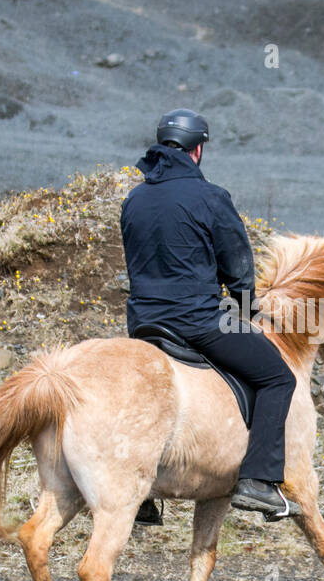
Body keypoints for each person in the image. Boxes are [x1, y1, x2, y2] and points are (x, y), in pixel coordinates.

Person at [120, 109, 298, 519]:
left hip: (143, 323)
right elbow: (237, 266)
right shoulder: (211, 198)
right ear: (197, 150)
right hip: (197, 322)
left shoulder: (134, 199)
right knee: (277, 377)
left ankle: (142, 492)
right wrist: (244, 312)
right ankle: (258, 482)